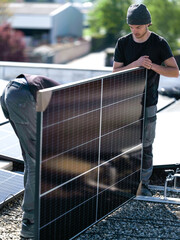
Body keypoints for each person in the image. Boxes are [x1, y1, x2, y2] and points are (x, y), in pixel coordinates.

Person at [113, 4, 179, 196]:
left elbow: (175, 72)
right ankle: (124, 184)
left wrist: (154, 66)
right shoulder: (123, 43)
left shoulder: (159, 43)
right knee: (125, 145)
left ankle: (144, 185)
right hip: (126, 104)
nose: (135, 30)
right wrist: (135, 64)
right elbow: (115, 72)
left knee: (147, 145)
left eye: (138, 27)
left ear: (148, 23)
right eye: (132, 27)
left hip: (149, 102)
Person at [1, 74, 59, 239]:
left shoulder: (70, 94)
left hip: (11, 91)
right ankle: (30, 224)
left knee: (29, 158)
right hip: (22, 96)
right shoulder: (73, 102)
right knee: (37, 162)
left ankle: (33, 213)